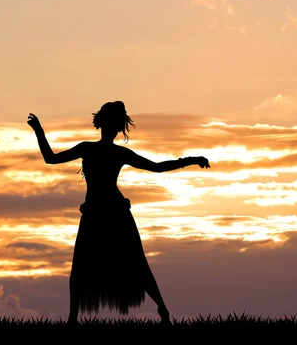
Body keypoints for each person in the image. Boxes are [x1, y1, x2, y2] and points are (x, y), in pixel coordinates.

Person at [26, 101, 210, 325]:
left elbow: (157, 167)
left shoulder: (116, 153)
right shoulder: (88, 148)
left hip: (114, 215)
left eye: (115, 122)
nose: (111, 126)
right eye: (109, 121)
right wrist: (39, 132)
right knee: (82, 265)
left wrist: (189, 160)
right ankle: (72, 319)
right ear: (101, 123)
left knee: (135, 263)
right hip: (95, 214)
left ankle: (163, 309)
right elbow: (51, 158)